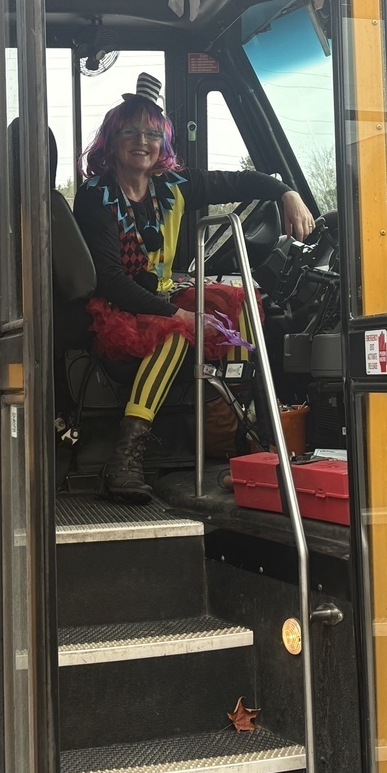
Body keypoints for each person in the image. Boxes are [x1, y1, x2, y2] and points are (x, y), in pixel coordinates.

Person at [74, 72, 315, 504]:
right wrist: (177, 315)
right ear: (111, 141)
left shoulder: (174, 185)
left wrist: (286, 192)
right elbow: (110, 279)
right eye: (129, 132)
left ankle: (235, 437)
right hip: (117, 302)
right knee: (173, 333)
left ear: (162, 143)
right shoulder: (96, 196)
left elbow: (240, 182)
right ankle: (125, 458)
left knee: (238, 302)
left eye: (151, 133)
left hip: (164, 291)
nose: (141, 141)